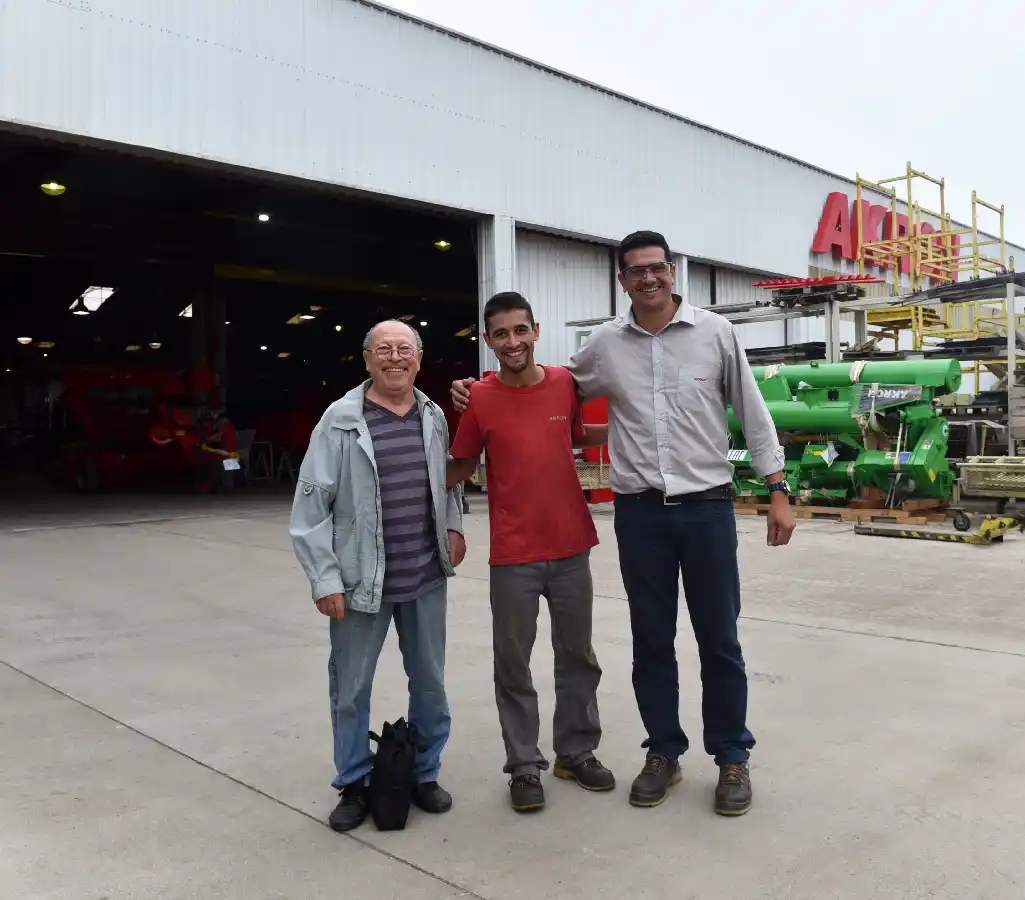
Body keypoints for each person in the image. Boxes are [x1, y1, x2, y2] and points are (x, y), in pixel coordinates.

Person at [451, 230, 794, 817]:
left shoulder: (716, 333)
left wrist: (778, 487)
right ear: (622, 281)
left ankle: (731, 756)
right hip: (640, 516)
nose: (648, 279)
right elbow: (543, 384)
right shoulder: (605, 346)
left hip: (708, 508)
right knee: (652, 641)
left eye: (657, 268)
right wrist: (474, 389)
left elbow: (752, 411)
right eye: (636, 272)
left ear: (671, 272)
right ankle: (663, 751)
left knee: (720, 639)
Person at [290, 319, 467, 833]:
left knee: (430, 684)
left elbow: (449, 480)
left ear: (419, 358)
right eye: (384, 349)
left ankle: (424, 773)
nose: (395, 358)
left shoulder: (433, 415)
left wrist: (454, 525)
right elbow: (309, 509)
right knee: (351, 688)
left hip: (426, 575)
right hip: (359, 584)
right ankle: (353, 781)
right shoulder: (340, 421)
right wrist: (324, 580)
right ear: (366, 360)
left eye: (405, 349)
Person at [446, 291, 614, 813]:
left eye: (521, 331)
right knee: (513, 662)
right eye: (501, 334)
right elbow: (457, 465)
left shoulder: (566, 383)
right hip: (513, 553)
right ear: (488, 340)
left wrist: (655, 425)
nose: (512, 342)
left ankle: (576, 751)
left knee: (579, 657)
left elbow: (583, 436)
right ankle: (523, 766)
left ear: (536, 331)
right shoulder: (479, 399)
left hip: (570, 546)